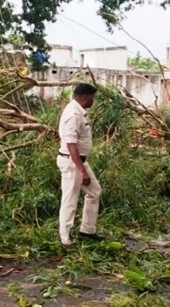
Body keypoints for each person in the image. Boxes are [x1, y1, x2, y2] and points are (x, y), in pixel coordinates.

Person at [57, 83, 104, 247]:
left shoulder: (79, 111)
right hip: (72, 162)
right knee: (70, 199)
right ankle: (65, 238)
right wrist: (82, 171)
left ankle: (87, 230)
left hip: (79, 161)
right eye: (92, 97)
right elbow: (71, 145)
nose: (93, 100)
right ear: (85, 97)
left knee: (94, 191)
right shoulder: (74, 114)